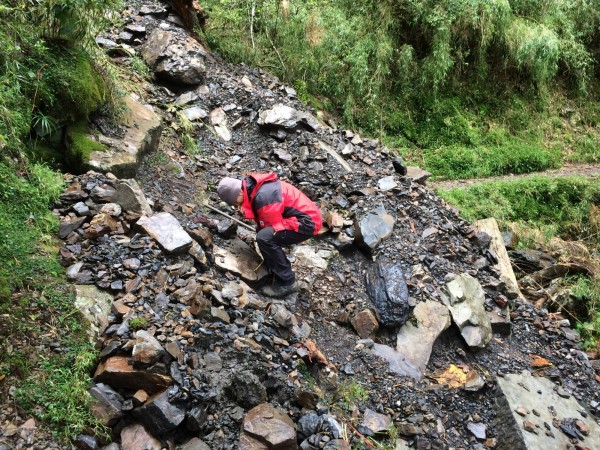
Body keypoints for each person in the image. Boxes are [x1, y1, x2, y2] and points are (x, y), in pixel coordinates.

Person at [217, 173, 322, 298]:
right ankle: (275, 266)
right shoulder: (252, 188)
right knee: (263, 234)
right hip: (302, 217)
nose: (236, 206)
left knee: (265, 237)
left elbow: (270, 225)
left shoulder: (264, 197)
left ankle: (287, 281)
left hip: (307, 222)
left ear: (239, 193)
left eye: (235, 203)